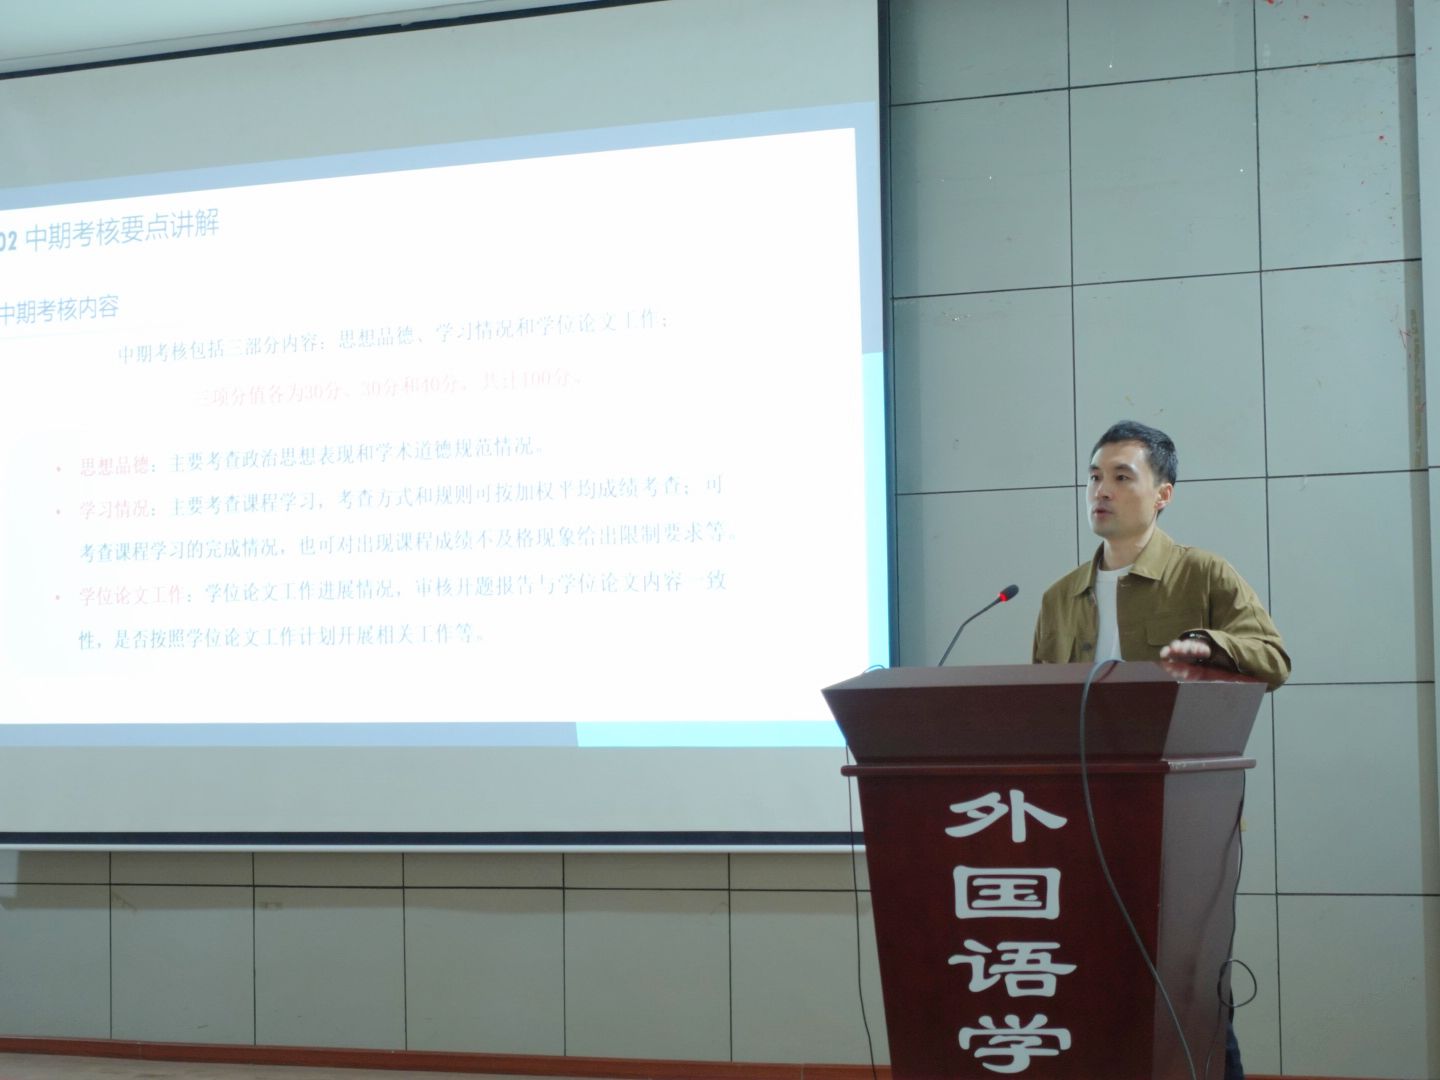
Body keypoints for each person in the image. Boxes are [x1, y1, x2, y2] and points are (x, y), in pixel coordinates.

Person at [1032, 419, 1289, 1080]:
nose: (1102, 490)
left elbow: (1274, 657)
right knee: (1092, 981)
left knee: (1189, 989)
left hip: (1181, 826)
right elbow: (1039, 705)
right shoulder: (1061, 597)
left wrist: (1211, 645)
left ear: (1163, 494)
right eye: (1095, 476)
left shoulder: (1201, 574)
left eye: (1123, 477)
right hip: (1081, 818)